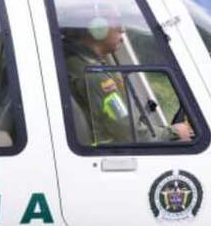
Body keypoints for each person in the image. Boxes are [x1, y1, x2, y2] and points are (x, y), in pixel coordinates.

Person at [63, 14, 193, 144]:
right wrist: (173, 134)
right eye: (119, 24)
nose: (123, 30)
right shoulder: (93, 75)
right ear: (99, 28)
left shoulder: (73, 60)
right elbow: (129, 134)